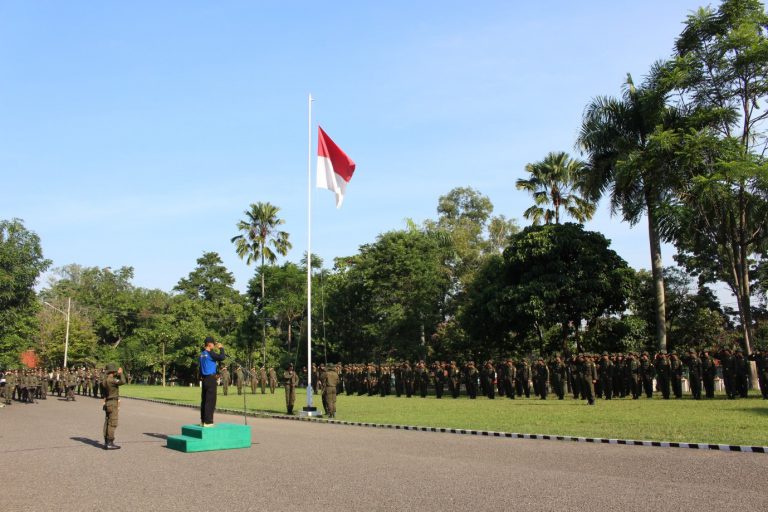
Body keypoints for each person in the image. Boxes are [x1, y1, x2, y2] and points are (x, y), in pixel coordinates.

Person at [199, 336, 226, 427]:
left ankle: (203, 421)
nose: (214, 345)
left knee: (205, 400)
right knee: (211, 400)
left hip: (205, 379)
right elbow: (222, 357)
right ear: (209, 344)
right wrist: (221, 348)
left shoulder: (202, 354)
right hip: (210, 379)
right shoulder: (210, 353)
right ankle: (208, 421)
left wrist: (202, 377)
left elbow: (201, 367)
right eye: (213, 344)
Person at [102, 363, 126, 450]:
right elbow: (123, 381)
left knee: (107, 422)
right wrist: (121, 374)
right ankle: (110, 442)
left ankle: (106, 441)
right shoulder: (111, 380)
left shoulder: (105, 380)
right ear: (112, 372)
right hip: (113, 402)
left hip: (108, 402)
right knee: (113, 423)